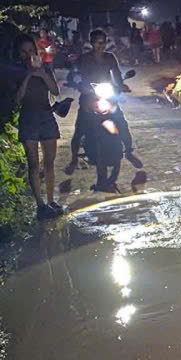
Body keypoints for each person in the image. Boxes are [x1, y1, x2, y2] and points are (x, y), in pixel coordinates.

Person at [65, 28, 141, 187]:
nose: (101, 45)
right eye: (98, 42)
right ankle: (73, 158)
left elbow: (118, 76)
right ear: (92, 43)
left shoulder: (110, 57)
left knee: (121, 121)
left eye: (103, 42)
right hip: (89, 96)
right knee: (80, 128)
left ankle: (128, 149)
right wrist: (80, 85)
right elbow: (74, 75)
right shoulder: (84, 59)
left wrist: (122, 85)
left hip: (107, 94)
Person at [10, 34, 68, 218]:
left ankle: (51, 201)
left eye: (31, 51)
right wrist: (28, 75)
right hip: (28, 118)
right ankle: (40, 205)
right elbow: (18, 100)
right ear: (18, 54)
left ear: (36, 52)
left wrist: (41, 73)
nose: (28, 55)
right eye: (24, 51)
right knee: (33, 164)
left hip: (46, 117)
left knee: (49, 163)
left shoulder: (45, 68)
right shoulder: (16, 71)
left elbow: (55, 91)